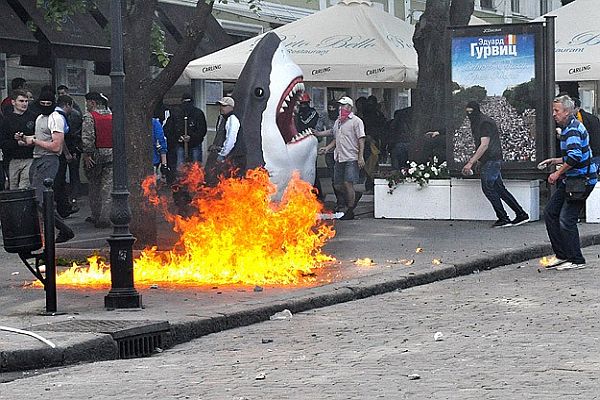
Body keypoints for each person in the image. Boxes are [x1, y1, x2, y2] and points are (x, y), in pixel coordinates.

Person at [539, 95, 597, 270]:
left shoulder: (571, 129)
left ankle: (576, 259)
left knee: (566, 219)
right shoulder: (569, 127)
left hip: (581, 180)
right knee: (550, 212)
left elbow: (574, 157)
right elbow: (573, 154)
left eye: (557, 111)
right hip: (573, 179)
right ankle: (562, 254)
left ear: (567, 111)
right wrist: (555, 160)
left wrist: (557, 173)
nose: (554, 115)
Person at [461, 100, 529, 228]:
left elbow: (484, 144)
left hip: (491, 159)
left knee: (488, 188)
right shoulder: (482, 121)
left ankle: (503, 217)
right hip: (491, 159)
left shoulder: (484, 123)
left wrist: (471, 162)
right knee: (499, 189)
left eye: (471, 112)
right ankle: (520, 214)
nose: (469, 114)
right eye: (467, 112)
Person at [23, 93, 75, 243]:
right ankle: (49, 232)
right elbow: (41, 139)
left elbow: (56, 146)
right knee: (37, 199)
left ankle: (64, 229)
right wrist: (25, 139)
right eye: (42, 103)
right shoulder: (40, 118)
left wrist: (34, 141)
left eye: (48, 103)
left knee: (40, 199)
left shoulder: (56, 118)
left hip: (49, 160)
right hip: (37, 159)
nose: (45, 106)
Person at [317, 96, 365, 220]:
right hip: (339, 157)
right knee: (337, 185)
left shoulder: (356, 121)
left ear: (349, 107)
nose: (340, 108)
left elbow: (361, 140)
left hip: (351, 157)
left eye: (343, 105)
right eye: (340, 106)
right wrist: (326, 146)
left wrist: (360, 157)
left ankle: (350, 211)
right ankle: (354, 195)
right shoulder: (338, 122)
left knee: (347, 183)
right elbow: (334, 136)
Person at [81, 92, 113, 229]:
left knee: (94, 186)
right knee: (108, 187)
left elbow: (88, 138)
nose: (86, 105)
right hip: (112, 154)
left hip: (96, 155)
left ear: (92, 103)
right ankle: (105, 216)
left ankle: (96, 215)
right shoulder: (112, 115)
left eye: (87, 102)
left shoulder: (89, 117)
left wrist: (87, 155)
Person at [54, 85, 83, 216]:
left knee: (72, 174)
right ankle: (67, 201)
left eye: (63, 93)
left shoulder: (73, 113)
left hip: (70, 149)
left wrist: (74, 150)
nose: (60, 95)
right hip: (65, 149)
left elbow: (74, 134)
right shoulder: (61, 115)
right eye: (59, 93)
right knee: (62, 176)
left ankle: (72, 198)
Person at [0, 89, 36, 189]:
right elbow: (2, 141)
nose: (24, 104)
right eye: (21, 101)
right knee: (13, 188)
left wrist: (28, 139)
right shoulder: (6, 120)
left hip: (29, 157)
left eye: (26, 101)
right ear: (13, 102)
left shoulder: (33, 117)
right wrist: (16, 142)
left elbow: (40, 136)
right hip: (12, 159)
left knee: (24, 187)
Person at [205, 96, 245, 185]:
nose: (221, 108)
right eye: (220, 106)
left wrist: (223, 155)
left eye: (224, 106)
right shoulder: (224, 119)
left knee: (232, 182)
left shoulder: (232, 119)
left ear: (230, 107)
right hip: (233, 156)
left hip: (236, 157)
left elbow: (231, 139)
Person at [164, 93, 207, 170]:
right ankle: (180, 180)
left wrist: (192, 137)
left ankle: (196, 180)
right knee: (180, 166)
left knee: (196, 167)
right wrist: (178, 138)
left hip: (195, 144)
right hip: (180, 145)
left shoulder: (198, 113)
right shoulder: (175, 114)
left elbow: (202, 130)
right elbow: (168, 130)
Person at [295, 92, 322, 199]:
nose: (303, 106)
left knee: (311, 170)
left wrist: (297, 115)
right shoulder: (298, 113)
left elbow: (306, 124)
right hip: (299, 143)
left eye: (304, 104)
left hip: (309, 142)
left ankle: (316, 194)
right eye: (301, 104)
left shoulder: (312, 113)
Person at [573, 97, 600, 169]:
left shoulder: (577, 123)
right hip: (594, 153)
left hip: (590, 153)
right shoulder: (592, 118)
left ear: (577, 108)